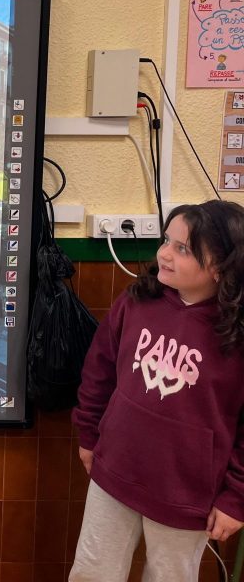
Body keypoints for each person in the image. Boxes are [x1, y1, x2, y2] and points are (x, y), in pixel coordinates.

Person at [70, 201, 244, 581]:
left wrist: (235, 498)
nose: (164, 253)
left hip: (186, 495)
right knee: (92, 572)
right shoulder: (136, 301)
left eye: (182, 249)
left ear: (220, 266)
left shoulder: (236, 335)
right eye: (166, 240)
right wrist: (88, 434)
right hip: (114, 473)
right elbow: (98, 371)